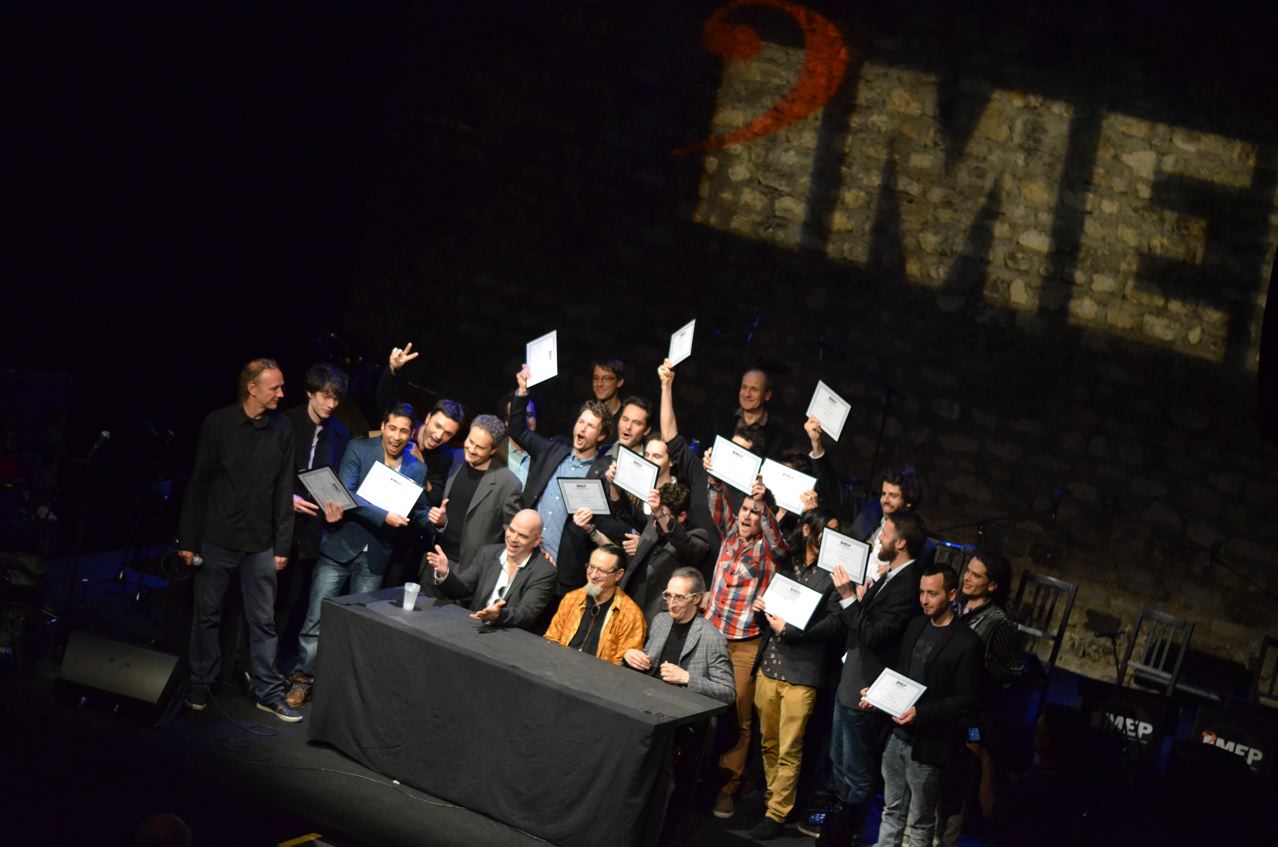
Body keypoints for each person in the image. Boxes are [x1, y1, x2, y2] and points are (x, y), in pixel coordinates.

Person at [177, 358, 299, 722]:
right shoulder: (218, 424)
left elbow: (284, 490)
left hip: (260, 543)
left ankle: (268, 691)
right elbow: (199, 483)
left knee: (263, 620)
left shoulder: (283, 428)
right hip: (217, 537)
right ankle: (201, 681)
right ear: (252, 388)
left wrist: (282, 545)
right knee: (207, 615)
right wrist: (189, 538)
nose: (281, 393)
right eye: (274, 387)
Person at [288, 403, 431, 707]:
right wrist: (384, 516)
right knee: (316, 617)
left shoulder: (417, 468)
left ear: (411, 435)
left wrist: (433, 517)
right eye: (392, 428)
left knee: (355, 625)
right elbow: (348, 492)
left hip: (376, 556)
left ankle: (337, 687)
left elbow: (415, 513)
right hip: (341, 546)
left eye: (403, 431)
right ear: (383, 425)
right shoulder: (359, 448)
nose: (396, 436)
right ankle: (302, 679)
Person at [814, 510, 926, 845]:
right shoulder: (891, 576)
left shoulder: (907, 586)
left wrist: (848, 596)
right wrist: (860, 601)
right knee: (838, 765)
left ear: (901, 542)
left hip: (865, 691)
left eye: (886, 533)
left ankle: (840, 836)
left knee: (858, 777)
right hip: (850, 683)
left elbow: (876, 636)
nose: (879, 538)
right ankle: (831, 833)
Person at [858, 564, 981, 847]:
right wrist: (877, 695)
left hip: (928, 744)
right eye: (922, 592)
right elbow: (901, 674)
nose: (925, 600)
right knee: (891, 810)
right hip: (896, 737)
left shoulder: (966, 642)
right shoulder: (916, 624)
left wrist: (920, 713)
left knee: (919, 821)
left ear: (952, 594)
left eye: (932, 593)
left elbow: (965, 700)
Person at [746, 508, 845, 841]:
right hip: (770, 665)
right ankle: (773, 800)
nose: (831, 540)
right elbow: (772, 613)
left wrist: (793, 630)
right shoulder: (787, 565)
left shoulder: (835, 576)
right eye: (826, 532)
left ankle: (777, 812)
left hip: (803, 673)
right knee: (768, 742)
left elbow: (835, 624)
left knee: (790, 747)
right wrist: (762, 610)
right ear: (807, 531)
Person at [702, 449, 788, 819]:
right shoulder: (729, 534)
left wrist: (764, 503)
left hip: (744, 641)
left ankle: (729, 783)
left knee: (738, 715)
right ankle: (698, 774)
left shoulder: (769, 550)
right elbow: (718, 502)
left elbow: (778, 539)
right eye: (746, 510)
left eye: (755, 512)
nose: (748, 517)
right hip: (710, 633)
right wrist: (714, 474)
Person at [505, 364, 619, 565]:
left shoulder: (601, 475)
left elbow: (604, 525)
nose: (582, 428)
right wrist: (522, 391)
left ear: (601, 436)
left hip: (559, 566)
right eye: (581, 422)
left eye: (590, 426)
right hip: (525, 553)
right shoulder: (553, 451)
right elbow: (517, 430)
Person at [278, 363, 351, 660]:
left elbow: (334, 482)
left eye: (336, 399)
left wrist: (335, 511)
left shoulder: (339, 434)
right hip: (277, 523)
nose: (331, 404)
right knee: (263, 597)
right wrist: (286, 500)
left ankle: (270, 666)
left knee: (291, 599)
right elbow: (266, 474)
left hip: (309, 531)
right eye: (325, 396)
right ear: (310, 393)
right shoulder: (285, 423)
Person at [425, 509, 556, 630]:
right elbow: (461, 588)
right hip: (474, 629)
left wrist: (498, 615)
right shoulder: (487, 553)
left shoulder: (544, 572)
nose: (513, 538)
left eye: (522, 536)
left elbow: (527, 614)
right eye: (511, 530)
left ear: (536, 541)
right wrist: (444, 574)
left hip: (509, 638)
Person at [623, 567, 735, 703]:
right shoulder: (661, 620)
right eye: (668, 595)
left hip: (681, 705)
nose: (671, 604)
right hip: (647, 695)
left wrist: (687, 678)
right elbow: (646, 662)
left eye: (679, 597)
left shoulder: (711, 637)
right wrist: (630, 657)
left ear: (696, 599)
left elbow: (727, 692)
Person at [427, 414, 522, 567]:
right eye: (470, 441)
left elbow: (513, 533)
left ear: (493, 450)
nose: (471, 449)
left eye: (480, 447)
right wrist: (440, 522)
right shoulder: (454, 459)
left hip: (469, 570)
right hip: (434, 558)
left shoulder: (508, 483)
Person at [619, 482, 712, 621]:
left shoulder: (698, 537)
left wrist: (660, 515)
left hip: (654, 614)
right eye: (654, 514)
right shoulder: (655, 521)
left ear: (682, 516)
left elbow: (683, 541)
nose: (656, 521)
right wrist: (615, 488)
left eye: (662, 515)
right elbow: (628, 512)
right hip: (627, 600)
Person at [543, 545, 646, 664]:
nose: (593, 575)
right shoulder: (572, 599)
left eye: (602, 571)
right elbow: (551, 639)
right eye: (591, 567)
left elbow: (623, 665)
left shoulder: (631, 615)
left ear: (619, 574)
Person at [708, 368, 791, 459]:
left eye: (754, 389)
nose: (747, 394)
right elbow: (702, 454)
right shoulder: (721, 420)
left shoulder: (778, 435)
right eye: (744, 387)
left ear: (767, 395)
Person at [590, 357, 627, 440]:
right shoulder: (582, 413)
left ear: (619, 382)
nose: (599, 384)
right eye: (596, 378)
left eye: (606, 379)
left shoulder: (627, 417)